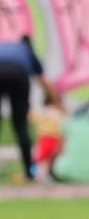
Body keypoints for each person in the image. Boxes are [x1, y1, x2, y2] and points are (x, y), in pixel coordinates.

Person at [0, 34, 57, 182]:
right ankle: (29, 171)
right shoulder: (27, 51)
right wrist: (56, 101)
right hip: (19, 75)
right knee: (20, 125)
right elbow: (42, 80)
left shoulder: (6, 47)